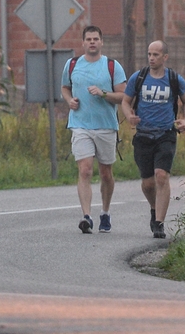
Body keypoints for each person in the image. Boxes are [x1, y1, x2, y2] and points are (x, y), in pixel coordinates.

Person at [121, 40, 185, 239]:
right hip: (143, 135)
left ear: (165, 57)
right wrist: (129, 116)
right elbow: (125, 102)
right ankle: (154, 209)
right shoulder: (139, 77)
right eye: (149, 54)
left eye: (156, 55)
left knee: (161, 175)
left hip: (166, 134)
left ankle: (159, 222)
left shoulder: (174, 79)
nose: (151, 58)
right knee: (148, 184)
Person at [61, 25, 126, 234]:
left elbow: (123, 96)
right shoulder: (72, 65)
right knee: (85, 169)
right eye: (88, 39)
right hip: (80, 125)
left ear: (101, 42)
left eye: (95, 39)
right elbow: (64, 87)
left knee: (106, 174)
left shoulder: (112, 66)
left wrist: (103, 93)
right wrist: (70, 100)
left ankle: (105, 212)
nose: (92, 42)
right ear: (82, 43)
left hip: (106, 126)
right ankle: (86, 216)